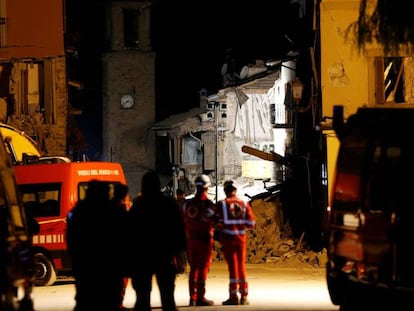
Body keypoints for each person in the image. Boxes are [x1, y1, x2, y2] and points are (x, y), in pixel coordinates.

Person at [127, 170, 187, 311]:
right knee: (167, 298)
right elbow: (178, 229)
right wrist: (179, 252)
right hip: (164, 256)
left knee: (142, 298)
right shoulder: (168, 204)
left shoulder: (138, 206)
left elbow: (130, 232)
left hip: (142, 257)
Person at [66, 180, 126, 311]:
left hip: (85, 270)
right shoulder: (111, 212)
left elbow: (71, 241)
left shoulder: (78, 213)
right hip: (109, 270)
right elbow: (122, 239)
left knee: (86, 301)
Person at [215, 180, 256, 305]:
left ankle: (233, 296)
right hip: (240, 239)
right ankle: (244, 296)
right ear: (235, 190)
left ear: (225, 191)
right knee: (241, 266)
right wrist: (240, 225)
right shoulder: (243, 203)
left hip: (228, 239)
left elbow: (216, 222)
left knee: (233, 268)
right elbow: (251, 224)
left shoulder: (221, 204)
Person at [181, 174, 216, 306]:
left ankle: (193, 297)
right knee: (202, 268)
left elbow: (182, 221)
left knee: (193, 268)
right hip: (204, 241)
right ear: (207, 187)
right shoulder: (208, 205)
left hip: (190, 240)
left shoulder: (187, 204)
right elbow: (215, 221)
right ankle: (200, 296)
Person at [109, 183, 130, 311]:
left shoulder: (108, 207)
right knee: (121, 279)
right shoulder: (120, 209)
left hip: (111, 249)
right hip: (120, 249)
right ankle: (118, 303)